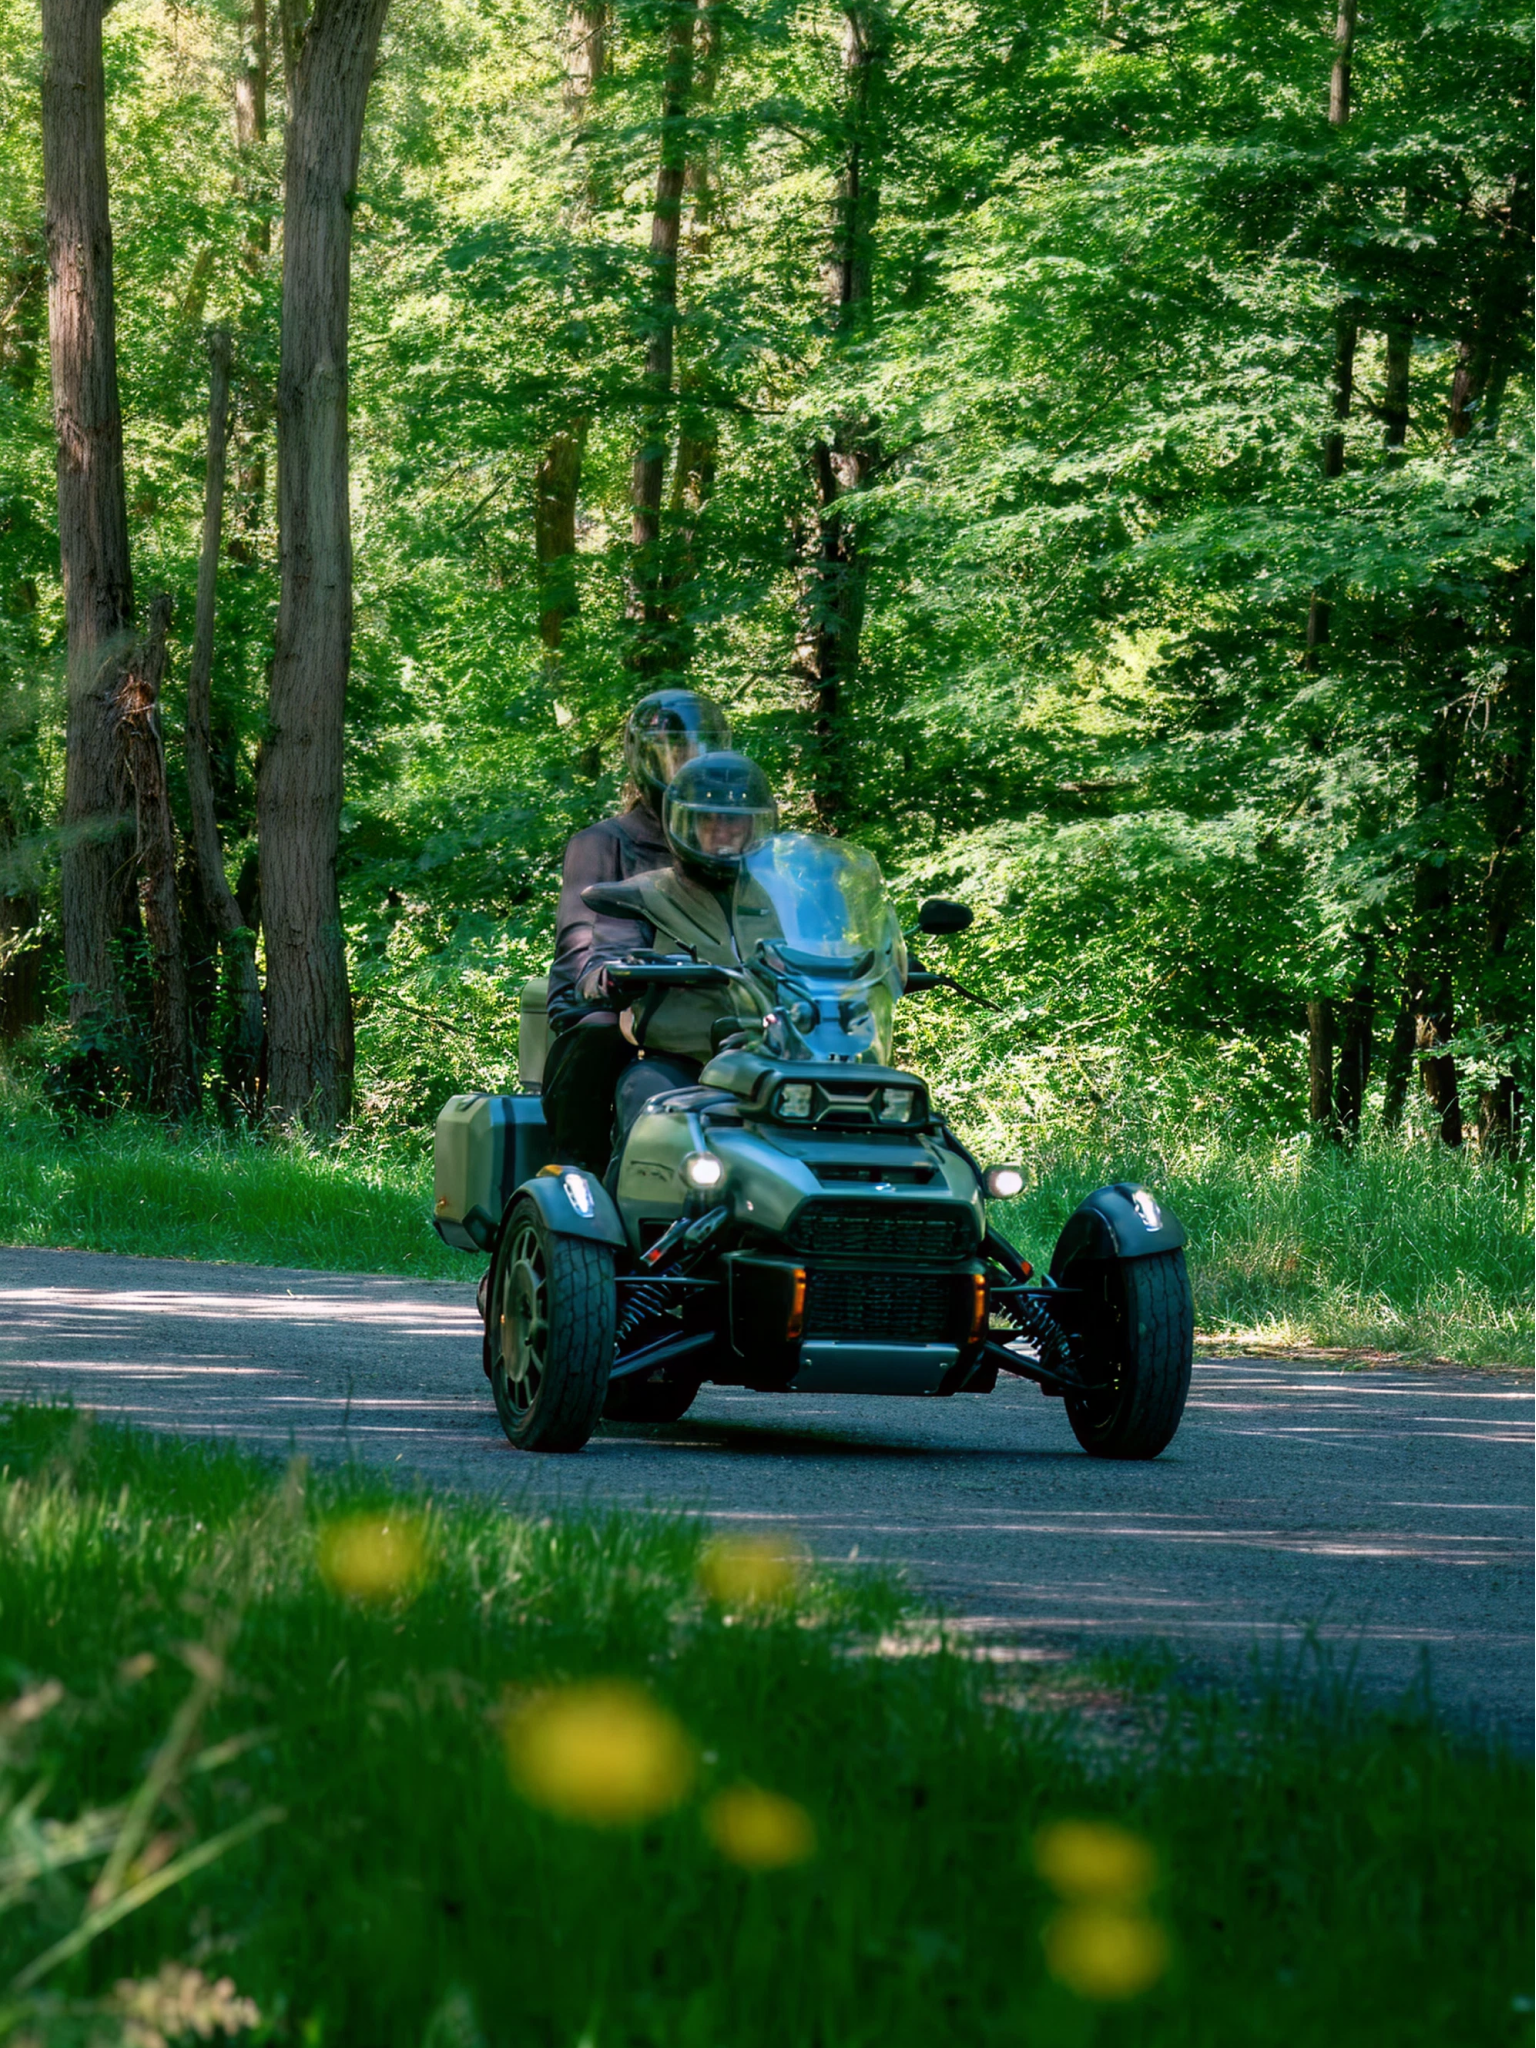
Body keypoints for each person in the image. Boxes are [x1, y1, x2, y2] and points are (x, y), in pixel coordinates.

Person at [541, 689, 730, 1169]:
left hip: (723, 1012)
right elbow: (578, 963)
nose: (687, 763)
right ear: (644, 760)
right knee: (600, 1030)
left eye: (699, 749)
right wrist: (611, 978)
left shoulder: (737, 849)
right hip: (622, 1014)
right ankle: (577, 1175)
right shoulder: (603, 843)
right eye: (675, 751)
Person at [575, 751, 780, 1148]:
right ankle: (627, 1189)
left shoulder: (784, 897)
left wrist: (875, 964)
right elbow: (598, 967)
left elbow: (831, 946)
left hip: (776, 1059)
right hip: (680, 1065)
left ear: (755, 825)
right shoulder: (644, 895)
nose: (723, 830)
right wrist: (617, 974)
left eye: (735, 819)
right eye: (709, 818)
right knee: (650, 1110)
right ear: (684, 824)